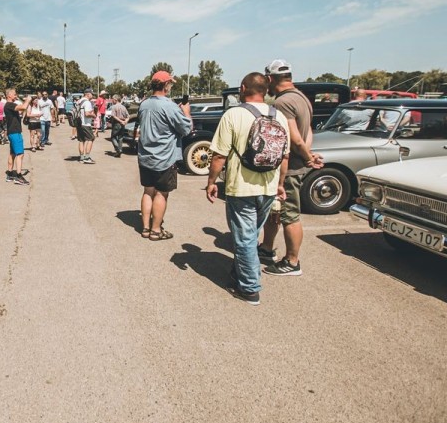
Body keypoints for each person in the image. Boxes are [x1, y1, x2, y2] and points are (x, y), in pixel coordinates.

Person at [206, 73, 290, 305]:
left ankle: (250, 288)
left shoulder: (233, 114)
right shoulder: (279, 116)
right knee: (250, 235)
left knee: (244, 238)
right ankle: (239, 273)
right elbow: (284, 157)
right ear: (266, 90)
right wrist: (280, 184)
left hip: (241, 186)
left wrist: (212, 182)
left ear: (243, 88)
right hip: (269, 186)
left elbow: (219, 155)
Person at [260, 60, 324, 275]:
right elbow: (309, 132)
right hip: (296, 163)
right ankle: (267, 248)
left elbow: (294, 138)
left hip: (290, 168)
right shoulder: (302, 98)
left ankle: (292, 261)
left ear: (270, 79)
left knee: (289, 214)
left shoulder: (282, 103)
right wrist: (310, 153)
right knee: (274, 211)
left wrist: (307, 158)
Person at [136, 71, 192, 240]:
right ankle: (156, 230)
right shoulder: (169, 106)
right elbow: (186, 129)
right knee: (161, 193)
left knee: (148, 191)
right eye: (170, 84)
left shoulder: (144, 104)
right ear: (166, 85)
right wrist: (186, 112)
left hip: (145, 156)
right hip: (164, 158)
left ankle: (145, 228)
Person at [3, 88, 31, 185]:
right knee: (20, 154)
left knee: (13, 153)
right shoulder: (10, 105)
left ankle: (10, 174)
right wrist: (28, 100)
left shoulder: (8, 105)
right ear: (9, 95)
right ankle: (18, 176)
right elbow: (23, 107)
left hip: (12, 131)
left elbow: (22, 109)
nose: (16, 95)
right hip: (15, 132)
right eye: (14, 94)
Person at [77, 88, 97, 163]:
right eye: (92, 94)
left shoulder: (79, 101)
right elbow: (87, 114)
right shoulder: (87, 102)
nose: (93, 95)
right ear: (88, 94)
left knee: (81, 140)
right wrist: (93, 115)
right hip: (86, 124)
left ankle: (82, 158)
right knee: (91, 139)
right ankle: (87, 157)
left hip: (79, 123)